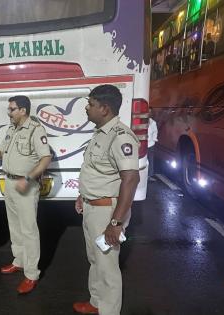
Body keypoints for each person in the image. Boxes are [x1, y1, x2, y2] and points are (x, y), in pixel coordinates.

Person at [73, 85, 140, 315]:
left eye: (91, 104)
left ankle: (108, 311)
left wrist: (115, 223)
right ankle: (96, 303)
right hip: (92, 207)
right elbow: (96, 170)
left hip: (106, 212)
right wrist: (83, 195)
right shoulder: (100, 133)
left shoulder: (121, 137)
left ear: (105, 108)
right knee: (95, 259)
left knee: (108, 266)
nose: (87, 107)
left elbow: (130, 179)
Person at [0, 95, 52, 294]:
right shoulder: (11, 129)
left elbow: (46, 158)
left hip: (25, 185)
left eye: (12, 109)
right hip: (10, 183)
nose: (8, 112)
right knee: (15, 226)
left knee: (29, 230)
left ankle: (31, 274)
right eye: (9, 108)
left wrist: (28, 179)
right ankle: (18, 261)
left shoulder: (36, 130)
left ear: (23, 111)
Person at [148, 108, 158, 181]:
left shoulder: (153, 122)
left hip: (151, 143)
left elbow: (155, 131)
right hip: (142, 144)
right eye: (147, 111)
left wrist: (154, 139)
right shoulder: (141, 121)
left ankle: (149, 175)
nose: (148, 113)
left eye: (150, 112)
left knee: (150, 160)